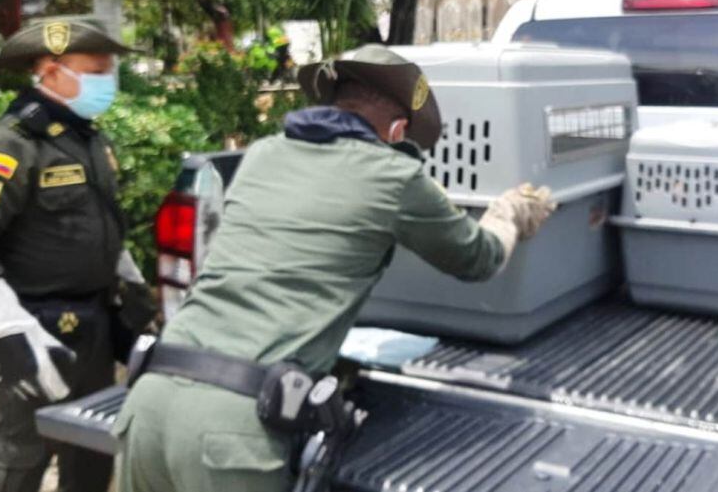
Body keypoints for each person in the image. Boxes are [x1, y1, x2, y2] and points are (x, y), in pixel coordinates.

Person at [114, 44, 555, 492]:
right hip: (231, 431)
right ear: (398, 129)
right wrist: (509, 213)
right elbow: (478, 258)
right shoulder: (394, 175)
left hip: (149, 402)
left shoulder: (263, 154)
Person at [0, 17, 156, 492]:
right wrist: (9, 333)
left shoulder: (87, 138)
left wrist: (132, 290)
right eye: (97, 71)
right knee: (17, 459)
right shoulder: (11, 144)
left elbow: (100, 224)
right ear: (54, 71)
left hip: (93, 327)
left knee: (91, 454)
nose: (107, 81)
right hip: (30, 329)